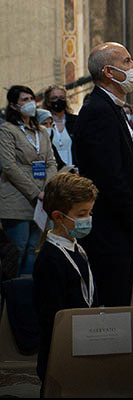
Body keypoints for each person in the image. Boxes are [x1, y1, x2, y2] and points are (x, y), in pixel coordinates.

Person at [73, 42, 133, 306]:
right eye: (127, 61)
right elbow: (108, 177)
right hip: (109, 227)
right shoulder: (98, 111)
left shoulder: (112, 107)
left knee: (121, 294)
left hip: (119, 221)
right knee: (113, 300)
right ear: (109, 72)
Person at [33, 172, 99, 387]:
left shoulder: (77, 247)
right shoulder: (50, 258)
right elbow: (51, 315)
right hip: (60, 349)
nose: (87, 219)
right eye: (82, 214)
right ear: (58, 216)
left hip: (83, 340)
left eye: (89, 212)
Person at [0, 85, 58, 275]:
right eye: (25, 100)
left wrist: (47, 190)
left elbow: (50, 162)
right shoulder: (7, 130)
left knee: (34, 248)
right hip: (17, 197)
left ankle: (27, 292)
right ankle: (11, 294)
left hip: (41, 198)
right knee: (18, 247)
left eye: (32, 99)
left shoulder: (41, 131)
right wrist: (35, 192)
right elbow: (9, 166)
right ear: (14, 105)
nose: (30, 103)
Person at [42, 86, 78, 169]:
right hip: (52, 170)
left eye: (62, 97)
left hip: (74, 170)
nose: (58, 101)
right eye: (54, 98)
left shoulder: (75, 121)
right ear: (48, 102)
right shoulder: (43, 123)